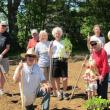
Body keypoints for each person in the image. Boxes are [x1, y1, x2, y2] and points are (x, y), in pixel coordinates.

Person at [48, 27, 69, 100]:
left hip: (63, 60)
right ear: (54, 35)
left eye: (59, 33)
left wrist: (67, 55)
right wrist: (50, 48)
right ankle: (59, 93)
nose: (57, 34)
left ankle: (65, 93)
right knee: (56, 78)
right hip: (55, 60)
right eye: (56, 33)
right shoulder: (52, 43)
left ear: (61, 34)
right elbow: (50, 54)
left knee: (65, 78)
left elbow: (68, 51)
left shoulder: (64, 42)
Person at [0, 21, 11, 95]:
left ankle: (1, 89)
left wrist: (1, 55)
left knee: (3, 73)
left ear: (6, 27)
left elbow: (7, 47)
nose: (3, 27)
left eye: (4, 26)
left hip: (4, 58)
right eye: (2, 25)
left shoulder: (7, 36)